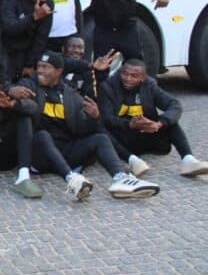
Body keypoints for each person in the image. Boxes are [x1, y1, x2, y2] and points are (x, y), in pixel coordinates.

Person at [10, 52, 160, 201]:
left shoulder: (70, 94)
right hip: (40, 156)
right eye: (39, 66)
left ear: (59, 71)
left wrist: (94, 117)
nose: (40, 71)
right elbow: (12, 92)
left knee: (100, 139)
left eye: (45, 67)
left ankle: (120, 179)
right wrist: (11, 92)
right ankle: (71, 180)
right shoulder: (29, 84)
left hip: (65, 152)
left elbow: (85, 129)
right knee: (43, 135)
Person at [99, 59, 208, 178]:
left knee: (170, 121)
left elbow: (174, 105)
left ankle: (188, 160)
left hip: (147, 133)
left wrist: (159, 123)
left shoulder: (149, 85)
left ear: (142, 78)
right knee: (101, 130)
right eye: (125, 74)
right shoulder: (108, 87)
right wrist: (130, 124)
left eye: (134, 76)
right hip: (123, 138)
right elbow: (107, 118)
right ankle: (133, 161)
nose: (128, 78)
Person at [0, 0, 54, 81]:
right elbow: (10, 28)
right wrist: (34, 17)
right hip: (9, 51)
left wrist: (30, 63)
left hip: (31, 52)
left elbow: (42, 36)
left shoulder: (48, 1)